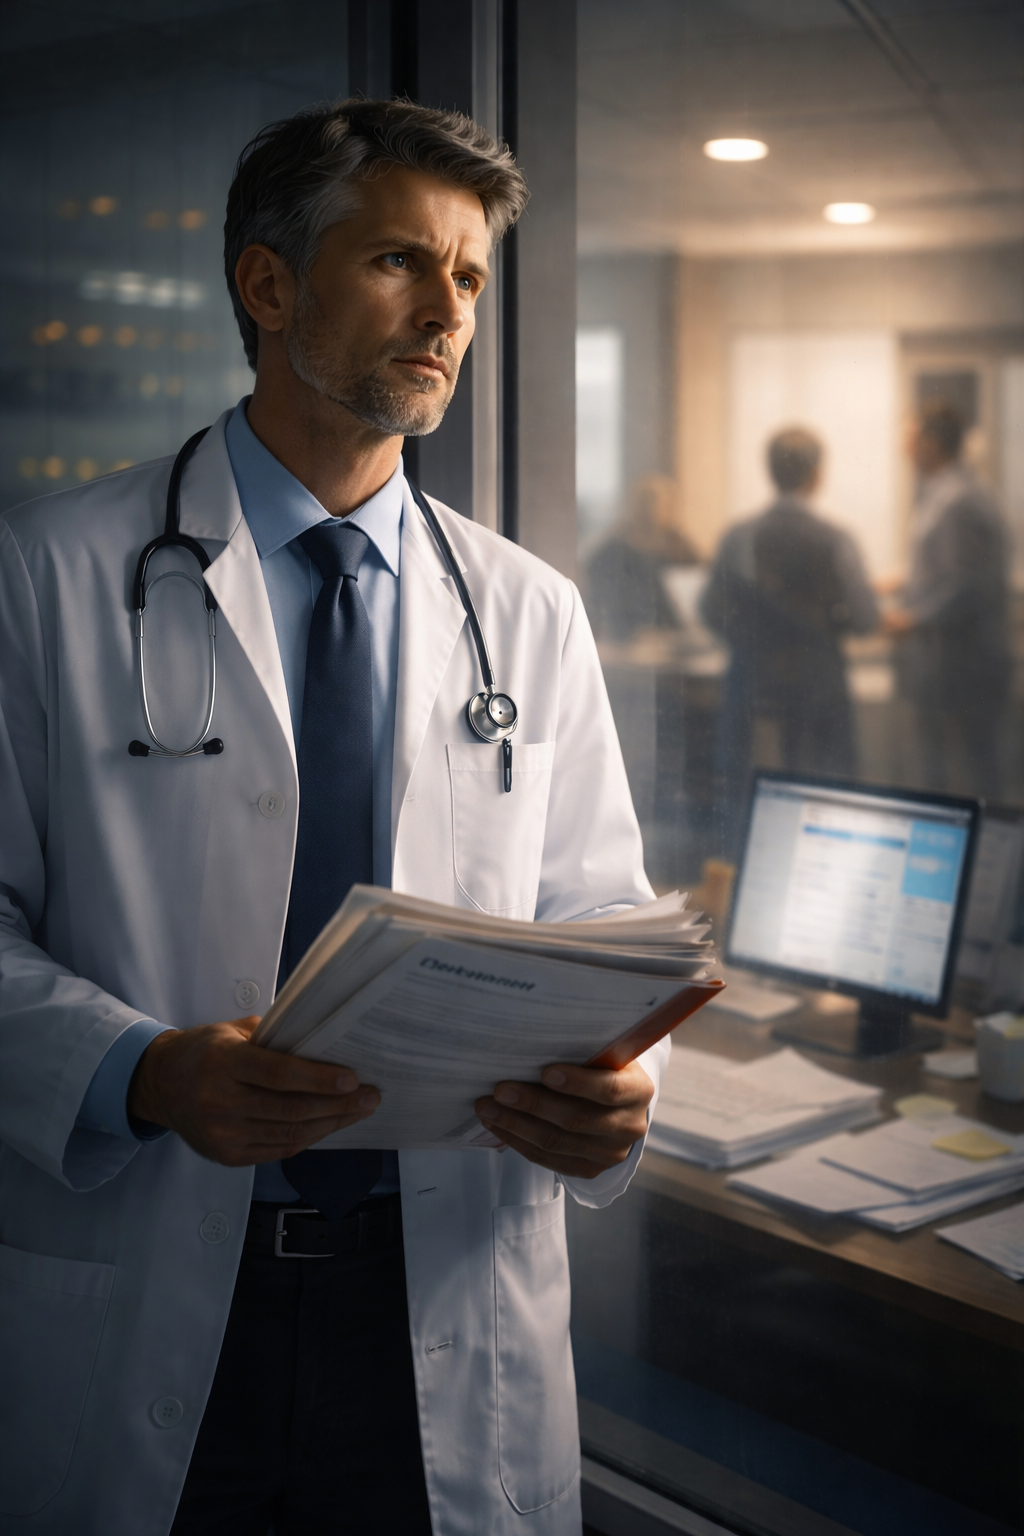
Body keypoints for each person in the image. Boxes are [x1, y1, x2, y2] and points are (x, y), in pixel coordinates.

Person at [0, 101, 666, 1536]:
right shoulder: (43, 575)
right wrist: (143, 1071)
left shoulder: (526, 610)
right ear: (268, 285)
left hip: (434, 1290)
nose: (445, 310)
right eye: (398, 263)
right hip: (161, 1271)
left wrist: (615, 1090)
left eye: (471, 278)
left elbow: (600, 919)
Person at [700, 427, 878, 839]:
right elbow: (866, 617)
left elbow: (709, 608)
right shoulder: (835, 539)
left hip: (752, 684)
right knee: (822, 806)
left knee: (748, 808)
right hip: (818, 689)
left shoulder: (739, 535)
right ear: (817, 474)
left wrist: (750, 637)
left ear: (770, 472)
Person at [885, 402, 1012, 801]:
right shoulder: (945, 493)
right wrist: (899, 582)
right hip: (947, 660)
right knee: (955, 770)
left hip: (962, 662)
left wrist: (912, 618)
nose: (904, 448)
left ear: (932, 444)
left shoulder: (960, 498)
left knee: (972, 773)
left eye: (911, 439)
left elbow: (966, 584)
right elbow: (947, 568)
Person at [584, 474, 699, 643]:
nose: (654, 510)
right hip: (626, 641)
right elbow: (602, 602)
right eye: (647, 502)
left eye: (662, 503)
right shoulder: (612, 551)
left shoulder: (680, 547)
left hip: (674, 640)